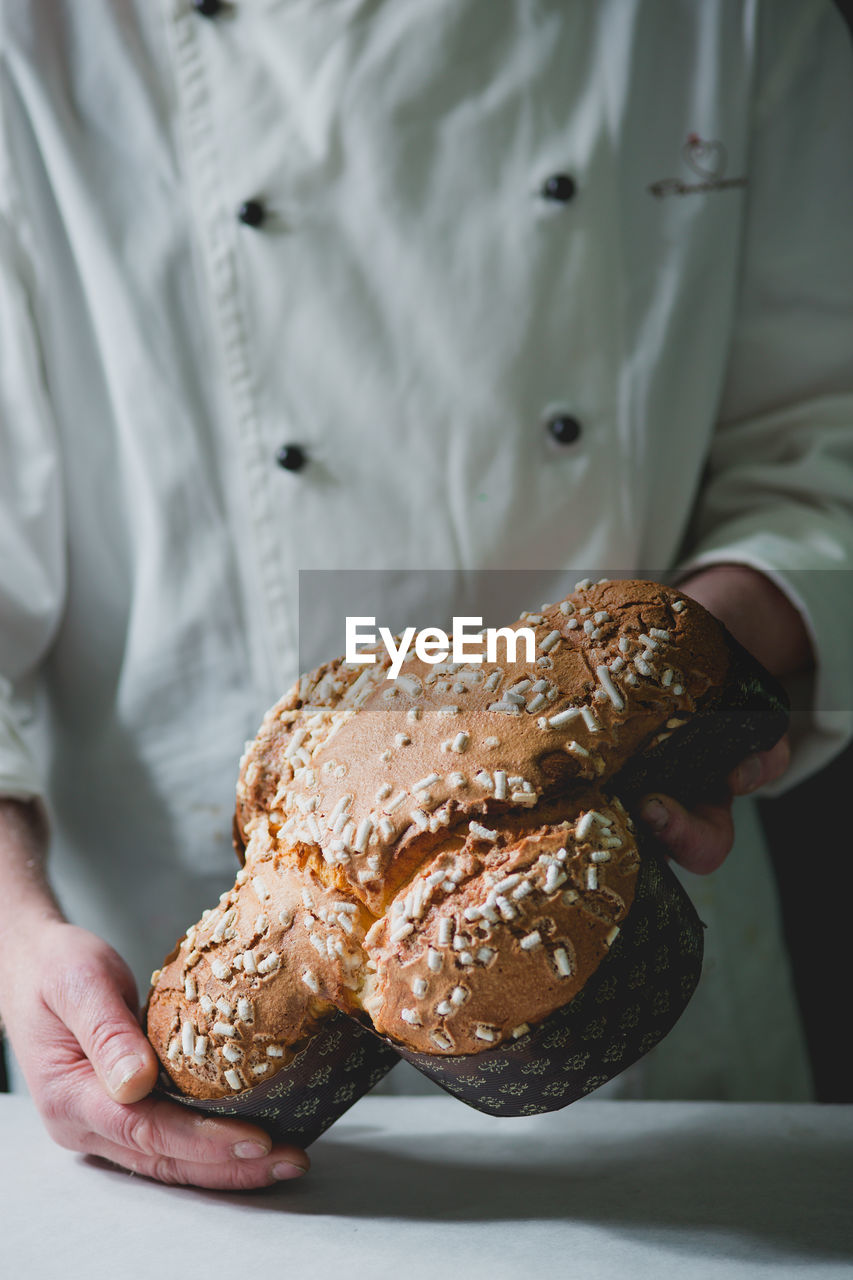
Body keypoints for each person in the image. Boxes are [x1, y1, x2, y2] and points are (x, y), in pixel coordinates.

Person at [1, 0, 851, 1190]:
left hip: (643, 989)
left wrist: (685, 679)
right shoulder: (35, 44)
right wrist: (13, 928)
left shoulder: (733, 19)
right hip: (171, 993)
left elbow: (827, 437)